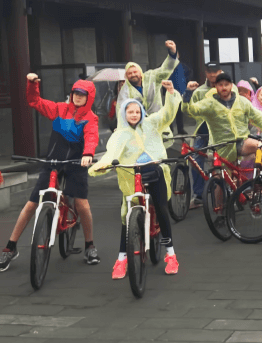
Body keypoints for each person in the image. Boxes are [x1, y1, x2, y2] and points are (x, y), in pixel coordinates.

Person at [0, 75, 100, 271]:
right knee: (31, 205)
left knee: (81, 204)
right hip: (53, 162)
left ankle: (90, 245)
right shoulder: (60, 110)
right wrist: (32, 84)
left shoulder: (91, 118)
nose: (78, 97)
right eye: (75, 93)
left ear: (89, 97)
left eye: (82, 94)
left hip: (75, 164)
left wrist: (88, 153)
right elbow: (34, 101)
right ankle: (10, 247)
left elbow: (91, 136)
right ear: (71, 94)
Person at [91, 80, 182, 277]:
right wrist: (101, 166)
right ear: (123, 114)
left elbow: (167, 114)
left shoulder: (151, 124)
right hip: (131, 174)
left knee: (162, 209)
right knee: (127, 215)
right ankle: (122, 259)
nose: (134, 114)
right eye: (130, 111)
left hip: (154, 171)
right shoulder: (119, 134)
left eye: (137, 111)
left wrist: (171, 93)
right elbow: (111, 153)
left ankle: (171, 255)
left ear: (141, 112)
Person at [181, 73, 262, 165]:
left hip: (242, 142)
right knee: (221, 177)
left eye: (226, 84)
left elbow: (257, 116)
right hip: (222, 147)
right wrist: (188, 93)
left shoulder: (242, 101)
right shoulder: (209, 104)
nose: (223, 87)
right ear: (215, 86)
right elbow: (190, 110)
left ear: (231, 85)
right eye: (220, 85)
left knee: (260, 146)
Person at [184, 64, 222, 207]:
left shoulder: (226, 87)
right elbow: (190, 111)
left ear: (220, 72)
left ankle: (226, 192)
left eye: (215, 72)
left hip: (220, 132)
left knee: (222, 162)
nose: (212, 75)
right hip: (202, 130)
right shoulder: (199, 91)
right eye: (210, 72)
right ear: (206, 73)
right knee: (195, 159)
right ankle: (199, 195)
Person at [117, 40, 179, 120]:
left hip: (157, 120)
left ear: (140, 72)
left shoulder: (151, 77)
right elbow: (121, 108)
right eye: (130, 73)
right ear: (126, 76)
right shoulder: (125, 89)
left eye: (135, 72)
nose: (133, 75)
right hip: (138, 124)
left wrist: (172, 54)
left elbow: (165, 70)